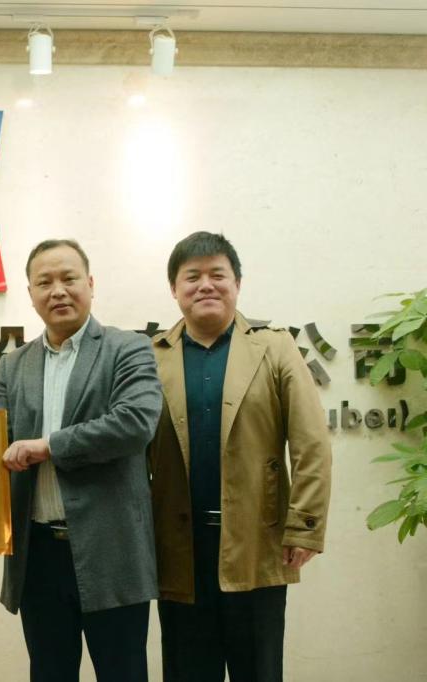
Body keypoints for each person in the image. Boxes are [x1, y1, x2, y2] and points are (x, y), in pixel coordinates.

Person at [149, 231, 332, 682]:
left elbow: (311, 444)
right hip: (179, 549)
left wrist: (305, 527)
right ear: (174, 288)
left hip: (256, 544)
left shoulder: (275, 347)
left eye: (218, 274)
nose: (205, 285)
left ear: (238, 283)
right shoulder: (150, 357)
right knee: (187, 672)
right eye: (192, 276)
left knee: (259, 670)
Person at [0, 239, 162, 682]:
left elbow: (135, 423)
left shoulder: (128, 348)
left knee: (123, 673)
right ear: (30, 294)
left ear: (91, 283)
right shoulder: (13, 365)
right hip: (39, 554)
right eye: (44, 282)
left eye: (69, 278)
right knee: (49, 673)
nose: (58, 291)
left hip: (111, 549)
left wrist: (48, 446)